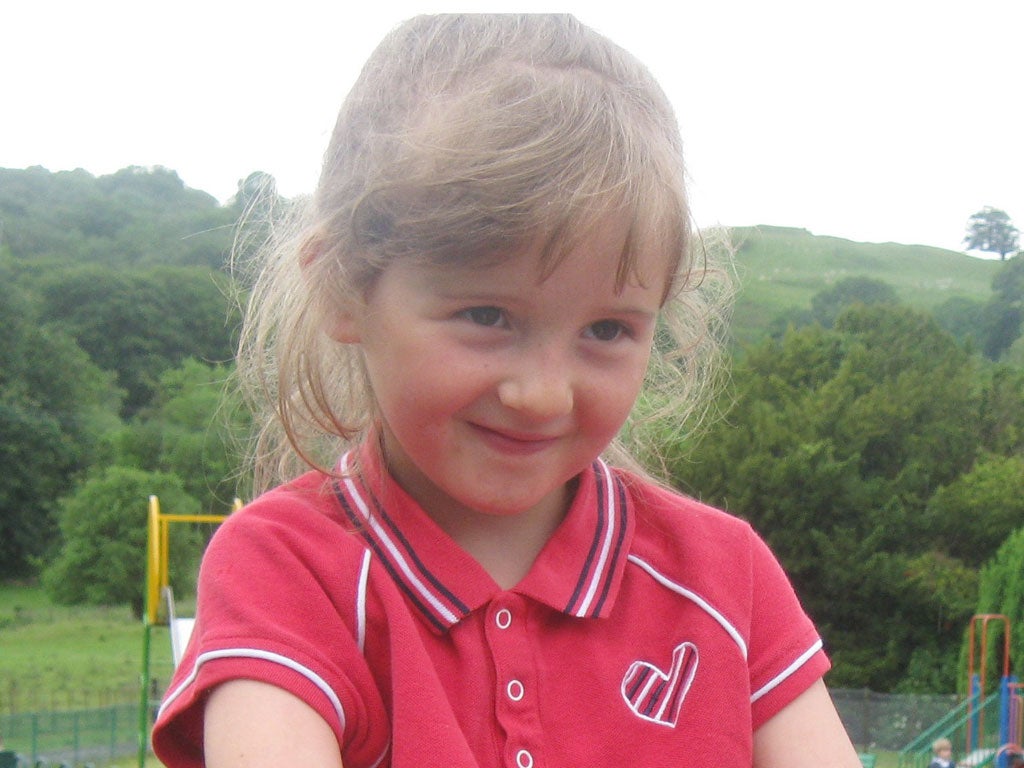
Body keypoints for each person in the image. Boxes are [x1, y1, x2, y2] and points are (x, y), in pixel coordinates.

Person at [151, 14, 861, 768]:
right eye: (487, 316)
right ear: (343, 290)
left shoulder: (726, 579)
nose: (544, 394)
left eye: (609, 330)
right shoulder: (286, 573)